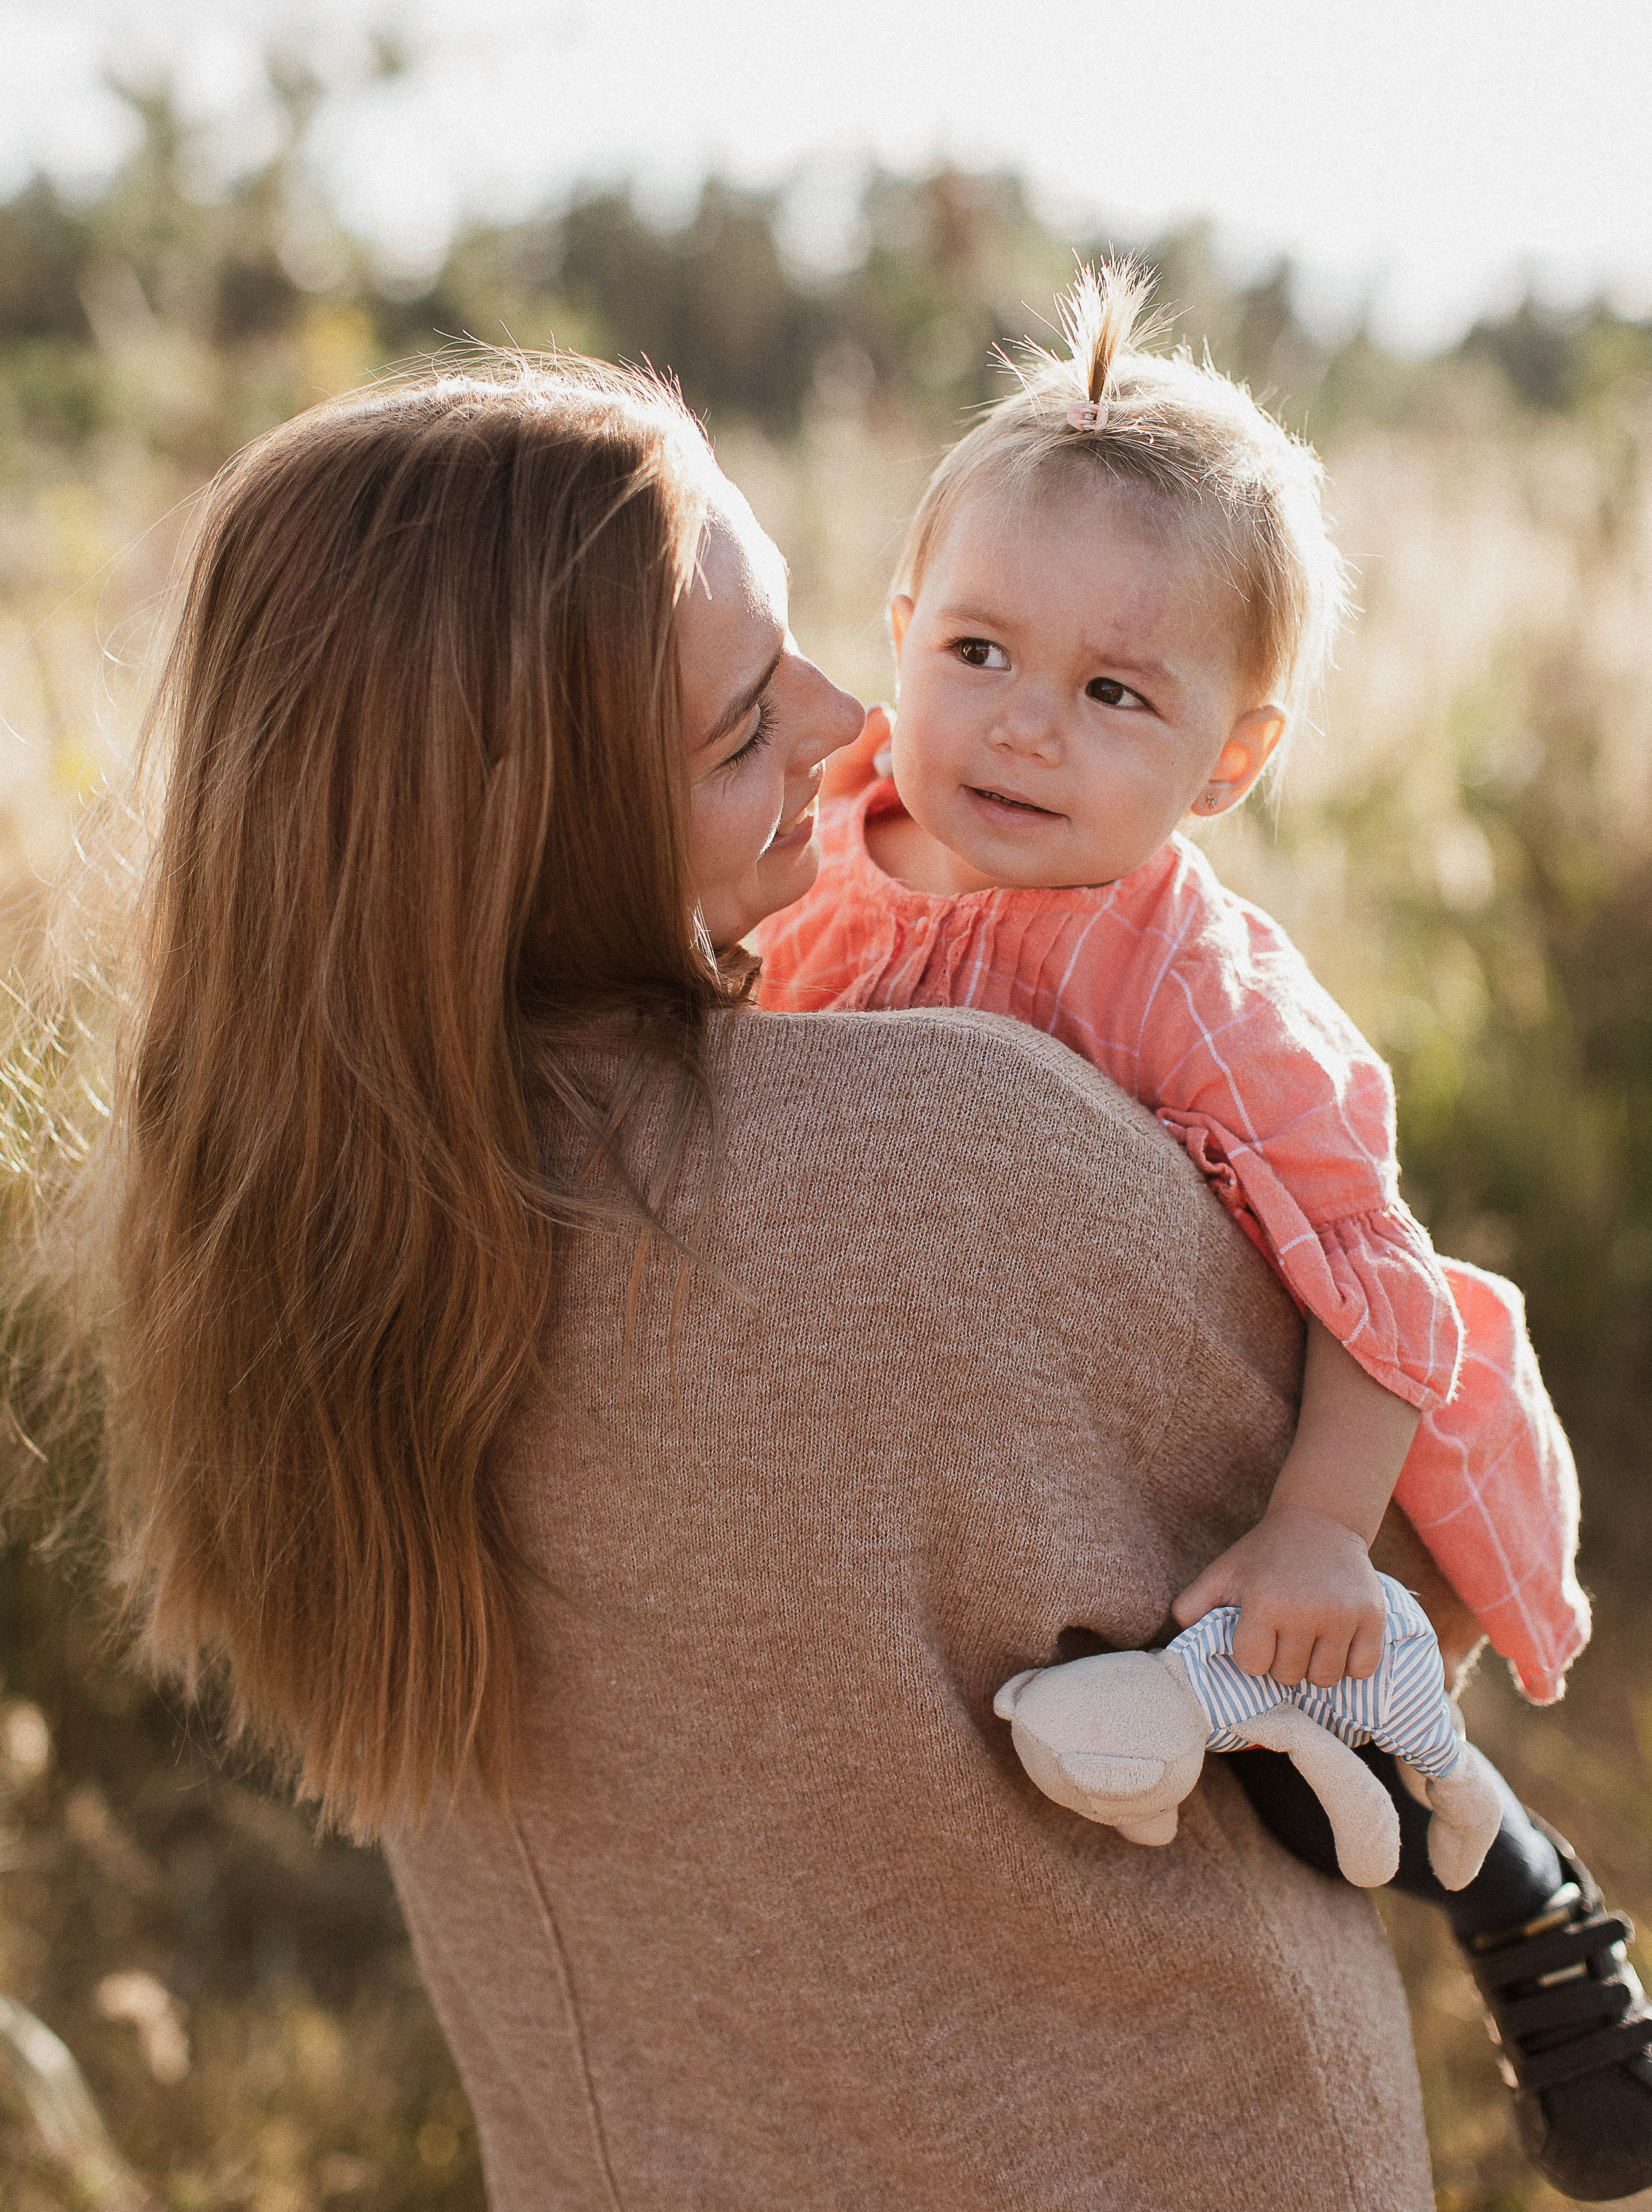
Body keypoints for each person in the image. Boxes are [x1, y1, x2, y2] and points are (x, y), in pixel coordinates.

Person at [8, 357, 1441, 2211]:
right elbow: (1379, 1607)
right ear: (535, 819)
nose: (857, 727)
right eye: (747, 723)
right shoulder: (956, 1152)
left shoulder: (289, 1237)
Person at [751, 269, 1652, 2202]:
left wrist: (1321, 1518)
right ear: (899, 632)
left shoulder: (1192, 983)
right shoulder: (809, 828)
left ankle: (1515, 1882)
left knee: (1309, 1745)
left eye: (1113, 695)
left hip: (1241, 1433)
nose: (1021, 729)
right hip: (943, 1409)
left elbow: (1374, 1272)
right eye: (979, 650)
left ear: (1227, 763)